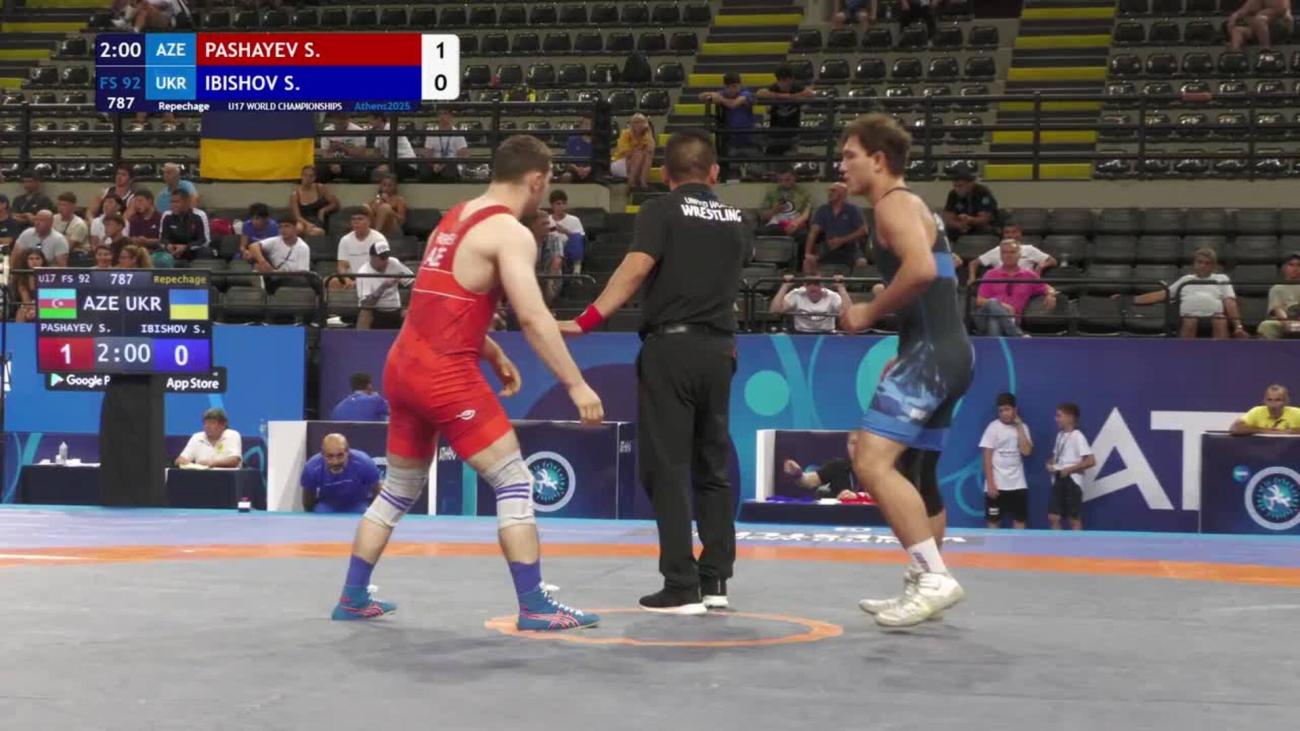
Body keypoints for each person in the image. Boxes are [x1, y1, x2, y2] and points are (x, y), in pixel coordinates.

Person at [330, 134, 604, 632]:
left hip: (402, 365)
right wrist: (576, 385)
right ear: (536, 180)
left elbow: (439, 301)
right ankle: (535, 606)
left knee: (399, 488)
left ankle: (352, 596)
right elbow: (533, 317)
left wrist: (491, 350)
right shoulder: (510, 233)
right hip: (444, 374)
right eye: (547, 183)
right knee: (514, 480)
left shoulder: (454, 217)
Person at [560, 129, 747, 615]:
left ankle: (680, 585)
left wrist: (587, 319)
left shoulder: (660, 210)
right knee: (712, 467)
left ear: (665, 175)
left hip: (673, 347)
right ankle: (715, 581)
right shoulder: (738, 219)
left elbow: (636, 267)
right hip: (721, 349)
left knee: (667, 467)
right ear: (714, 173)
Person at [836, 113, 973, 627]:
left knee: (870, 461)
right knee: (918, 472)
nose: (841, 166)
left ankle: (934, 578)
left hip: (932, 356)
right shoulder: (913, 205)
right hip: (944, 351)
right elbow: (939, 282)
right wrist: (907, 346)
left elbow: (919, 270)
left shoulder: (893, 205)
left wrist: (868, 313)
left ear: (879, 160)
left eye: (850, 156)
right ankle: (924, 582)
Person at [1129, 247, 1247, 339]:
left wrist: (1238, 327)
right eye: (1200, 262)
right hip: (1189, 316)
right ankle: (1184, 355)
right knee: (1190, 320)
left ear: (1214, 266)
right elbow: (1163, 294)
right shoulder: (1185, 280)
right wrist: (1130, 299)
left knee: (1220, 320)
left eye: (1207, 263)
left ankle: (1221, 356)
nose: (1203, 266)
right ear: (1194, 264)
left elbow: (1230, 302)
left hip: (1214, 315)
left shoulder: (1222, 278)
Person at [974, 240, 1057, 337]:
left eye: (1012, 252)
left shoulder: (1029, 275)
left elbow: (1048, 287)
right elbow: (979, 300)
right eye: (1004, 252)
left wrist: (1051, 294)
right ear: (1000, 255)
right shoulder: (990, 274)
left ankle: (1005, 338)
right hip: (984, 318)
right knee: (992, 303)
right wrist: (1003, 306)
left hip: (1011, 319)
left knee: (994, 322)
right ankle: (1017, 334)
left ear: (1020, 255)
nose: (1008, 255)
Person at [980, 393, 1033, 529]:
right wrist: (990, 483)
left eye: (1007, 409)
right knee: (993, 522)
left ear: (1015, 409)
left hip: (1018, 484)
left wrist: (1019, 426)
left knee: (1020, 521)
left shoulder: (1023, 427)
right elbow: (986, 456)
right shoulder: (992, 427)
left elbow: (1026, 452)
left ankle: (1019, 545)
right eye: (1001, 410)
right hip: (997, 485)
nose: (1004, 413)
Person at [301, 434, 382, 514]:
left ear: (347, 452)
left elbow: (377, 490)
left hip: (358, 505)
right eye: (330, 456)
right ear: (323, 454)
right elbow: (308, 499)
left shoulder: (364, 462)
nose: (335, 462)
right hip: (327, 506)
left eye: (340, 455)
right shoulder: (312, 467)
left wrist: (375, 514)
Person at [1047, 403, 1094, 531]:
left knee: (1073, 519)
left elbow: (1091, 461)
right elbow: (1056, 456)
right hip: (1058, 479)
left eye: (1059, 416)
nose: (1056, 419)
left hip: (1072, 481)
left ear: (1070, 417)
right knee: (1053, 517)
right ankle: (1057, 543)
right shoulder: (1060, 435)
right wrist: (1050, 463)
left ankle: (1077, 544)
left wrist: (1069, 470)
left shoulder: (1078, 436)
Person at [804, 182, 869, 274]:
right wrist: (807, 254)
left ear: (843, 193)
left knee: (861, 263)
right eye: (829, 191)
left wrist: (842, 240)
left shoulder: (853, 210)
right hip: (828, 247)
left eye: (833, 191)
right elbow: (813, 232)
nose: (829, 193)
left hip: (850, 247)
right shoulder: (822, 210)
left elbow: (864, 231)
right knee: (808, 263)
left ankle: (852, 283)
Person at [757, 64, 814, 159]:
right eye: (782, 80)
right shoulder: (774, 88)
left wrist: (791, 97)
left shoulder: (796, 88)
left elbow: (810, 94)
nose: (784, 84)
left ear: (792, 79)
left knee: (790, 159)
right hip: (775, 134)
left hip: (792, 134)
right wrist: (783, 96)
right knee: (772, 159)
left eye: (787, 80)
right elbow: (760, 93)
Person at [355, 240, 414, 330]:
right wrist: (383, 287)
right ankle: (362, 338)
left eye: (387, 257)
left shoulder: (394, 263)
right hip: (376, 311)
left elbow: (413, 282)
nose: (386, 261)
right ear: (372, 257)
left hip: (395, 309)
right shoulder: (363, 272)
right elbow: (365, 304)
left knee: (411, 312)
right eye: (382, 258)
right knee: (365, 313)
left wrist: (406, 305)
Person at [783, 433, 861, 500]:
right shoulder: (838, 466)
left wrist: (858, 498)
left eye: (862, 443)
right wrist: (797, 474)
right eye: (853, 443)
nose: (857, 447)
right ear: (847, 445)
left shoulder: (869, 471)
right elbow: (808, 481)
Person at [770, 274, 848, 333]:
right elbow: (775, 311)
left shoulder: (832, 296)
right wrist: (785, 286)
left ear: (822, 285)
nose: (813, 287)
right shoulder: (796, 294)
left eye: (816, 284)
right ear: (804, 285)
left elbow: (847, 313)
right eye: (809, 284)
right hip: (800, 333)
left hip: (827, 333)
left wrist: (841, 287)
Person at [334, 210, 388, 288]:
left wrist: (359, 282)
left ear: (369, 222)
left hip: (372, 277)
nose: (356, 222)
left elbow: (381, 266)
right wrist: (346, 279)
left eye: (360, 219)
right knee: (331, 282)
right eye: (353, 219)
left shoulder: (379, 239)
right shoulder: (345, 240)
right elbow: (342, 266)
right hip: (351, 278)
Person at [175, 408, 242, 468]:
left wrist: (211, 464)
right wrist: (184, 462)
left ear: (223, 425)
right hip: (201, 476)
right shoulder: (197, 437)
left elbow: (234, 460)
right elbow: (180, 460)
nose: (207, 426)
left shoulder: (232, 435)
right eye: (205, 423)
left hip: (227, 476)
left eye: (212, 423)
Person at [759, 167, 813, 239]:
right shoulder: (772, 193)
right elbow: (763, 215)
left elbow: (806, 214)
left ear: (794, 178)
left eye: (787, 180)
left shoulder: (803, 193)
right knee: (766, 230)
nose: (783, 183)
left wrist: (795, 224)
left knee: (804, 235)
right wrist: (773, 211)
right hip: (776, 224)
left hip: (795, 223)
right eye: (780, 180)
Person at [942, 172, 998, 238]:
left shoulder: (982, 192)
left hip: (982, 227)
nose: (957, 189)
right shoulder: (953, 194)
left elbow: (984, 219)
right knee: (946, 230)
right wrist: (959, 225)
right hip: (961, 226)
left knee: (985, 229)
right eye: (955, 186)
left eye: (960, 186)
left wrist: (970, 220)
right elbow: (948, 218)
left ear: (970, 184)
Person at [1257, 252, 1300, 339]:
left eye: (1299, 265)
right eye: (1291, 265)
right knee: (1266, 326)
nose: (1295, 268)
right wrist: (1287, 323)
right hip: (1283, 322)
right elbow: (1277, 309)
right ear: (1284, 268)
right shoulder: (1277, 288)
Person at [290, 165, 339, 237]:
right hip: (303, 221)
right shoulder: (295, 195)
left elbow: (334, 203)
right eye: (305, 175)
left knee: (317, 232)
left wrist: (323, 210)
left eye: (311, 176)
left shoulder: (320, 188)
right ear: (302, 176)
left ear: (314, 178)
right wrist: (307, 224)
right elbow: (297, 216)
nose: (308, 178)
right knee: (299, 228)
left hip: (317, 219)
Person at [1230, 384, 1300, 434]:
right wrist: (1265, 431)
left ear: (1286, 402)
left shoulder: (1297, 413)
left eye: (1278, 400)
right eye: (1269, 400)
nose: (1273, 404)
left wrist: (1290, 432)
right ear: (1264, 401)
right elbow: (1235, 428)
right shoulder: (1256, 411)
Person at [611, 113, 655, 190]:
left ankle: (643, 181)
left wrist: (649, 133)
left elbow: (651, 150)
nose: (639, 124)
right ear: (632, 124)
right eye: (636, 122)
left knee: (648, 155)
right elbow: (627, 154)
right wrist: (639, 148)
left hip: (636, 163)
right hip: (620, 162)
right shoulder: (625, 134)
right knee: (639, 154)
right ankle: (631, 182)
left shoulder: (646, 135)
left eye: (642, 122)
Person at [1228, 0, 1293, 51]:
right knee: (1237, 30)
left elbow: (1282, 9)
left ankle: (1265, 50)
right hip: (1259, 29)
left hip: (1279, 26)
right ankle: (1235, 54)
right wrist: (1234, 17)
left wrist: (1263, 14)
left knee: (1259, 20)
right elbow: (1243, 10)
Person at [547, 189, 586, 273]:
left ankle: (576, 271)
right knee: (555, 241)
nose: (562, 206)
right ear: (552, 205)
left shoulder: (574, 220)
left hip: (568, 249)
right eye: (558, 204)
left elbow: (579, 239)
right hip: (550, 249)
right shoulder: (547, 220)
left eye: (564, 203)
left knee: (576, 236)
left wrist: (565, 231)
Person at [11, 248, 46, 323]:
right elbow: (25, 299)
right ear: (26, 261)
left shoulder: (49, 276)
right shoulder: (22, 277)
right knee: (21, 312)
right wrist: (31, 310)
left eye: (37, 258)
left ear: (42, 261)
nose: (34, 261)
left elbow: (49, 296)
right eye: (31, 259)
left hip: (46, 305)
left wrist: (37, 309)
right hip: (29, 306)